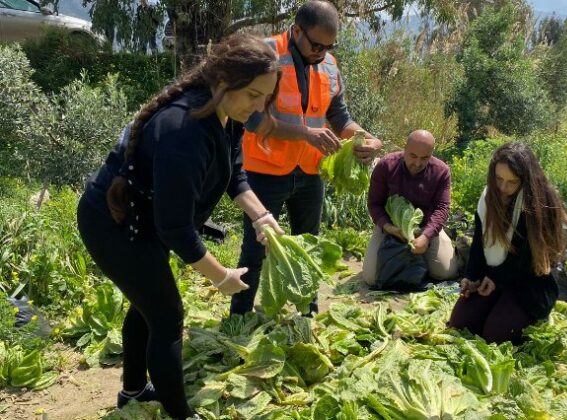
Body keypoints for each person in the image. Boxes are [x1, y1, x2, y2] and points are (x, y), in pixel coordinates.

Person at [76, 34, 282, 419]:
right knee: (167, 316)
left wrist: (262, 215)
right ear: (223, 81)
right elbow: (175, 228)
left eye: (266, 97)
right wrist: (220, 276)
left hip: (146, 220)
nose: (260, 106)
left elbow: (234, 176)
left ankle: (133, 391)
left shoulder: (227, 114)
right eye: (254, 94)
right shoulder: (183, 130)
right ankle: (180, 414)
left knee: (147, 306)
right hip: (113, 223)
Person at [231, 0, 382, 315]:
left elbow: (340, 118)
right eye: (316, 45)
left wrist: (364, 137)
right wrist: (304, 133)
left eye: (329, 46)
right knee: (255, 248)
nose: (322, 52)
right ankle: (240, 316)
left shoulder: (329, 65)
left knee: (309, 245)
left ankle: (307, 312)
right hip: (265, 171)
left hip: (310, 171)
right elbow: (252, 120)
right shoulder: (266, 55)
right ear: (296, 30)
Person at [447, 142, 567, 344]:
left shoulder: (538, 205)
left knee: (496, 336)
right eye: (499, 179)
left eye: (512, 182)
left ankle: (519, 313)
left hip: (528, 283)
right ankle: (496, 304)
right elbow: (479, 243)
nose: (503, 188)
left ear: (526, 180)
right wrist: (472, 277)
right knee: (460, 323)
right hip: (496, 276)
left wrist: (496, 278)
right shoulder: (489, 196)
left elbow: (526, 259)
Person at [362, 130, 458, 285]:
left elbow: (442, 208)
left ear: (431, 154)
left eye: (424, 158)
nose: (418, 163)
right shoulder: (386, 166)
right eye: (413, 156)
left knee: (446, 272)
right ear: (404, 149)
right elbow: (374, 204)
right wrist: (387, 227)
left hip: (427, 227)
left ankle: (422, 257)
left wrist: (426, 236)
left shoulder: (441, 171)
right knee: (371, 279)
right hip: (392, 228)